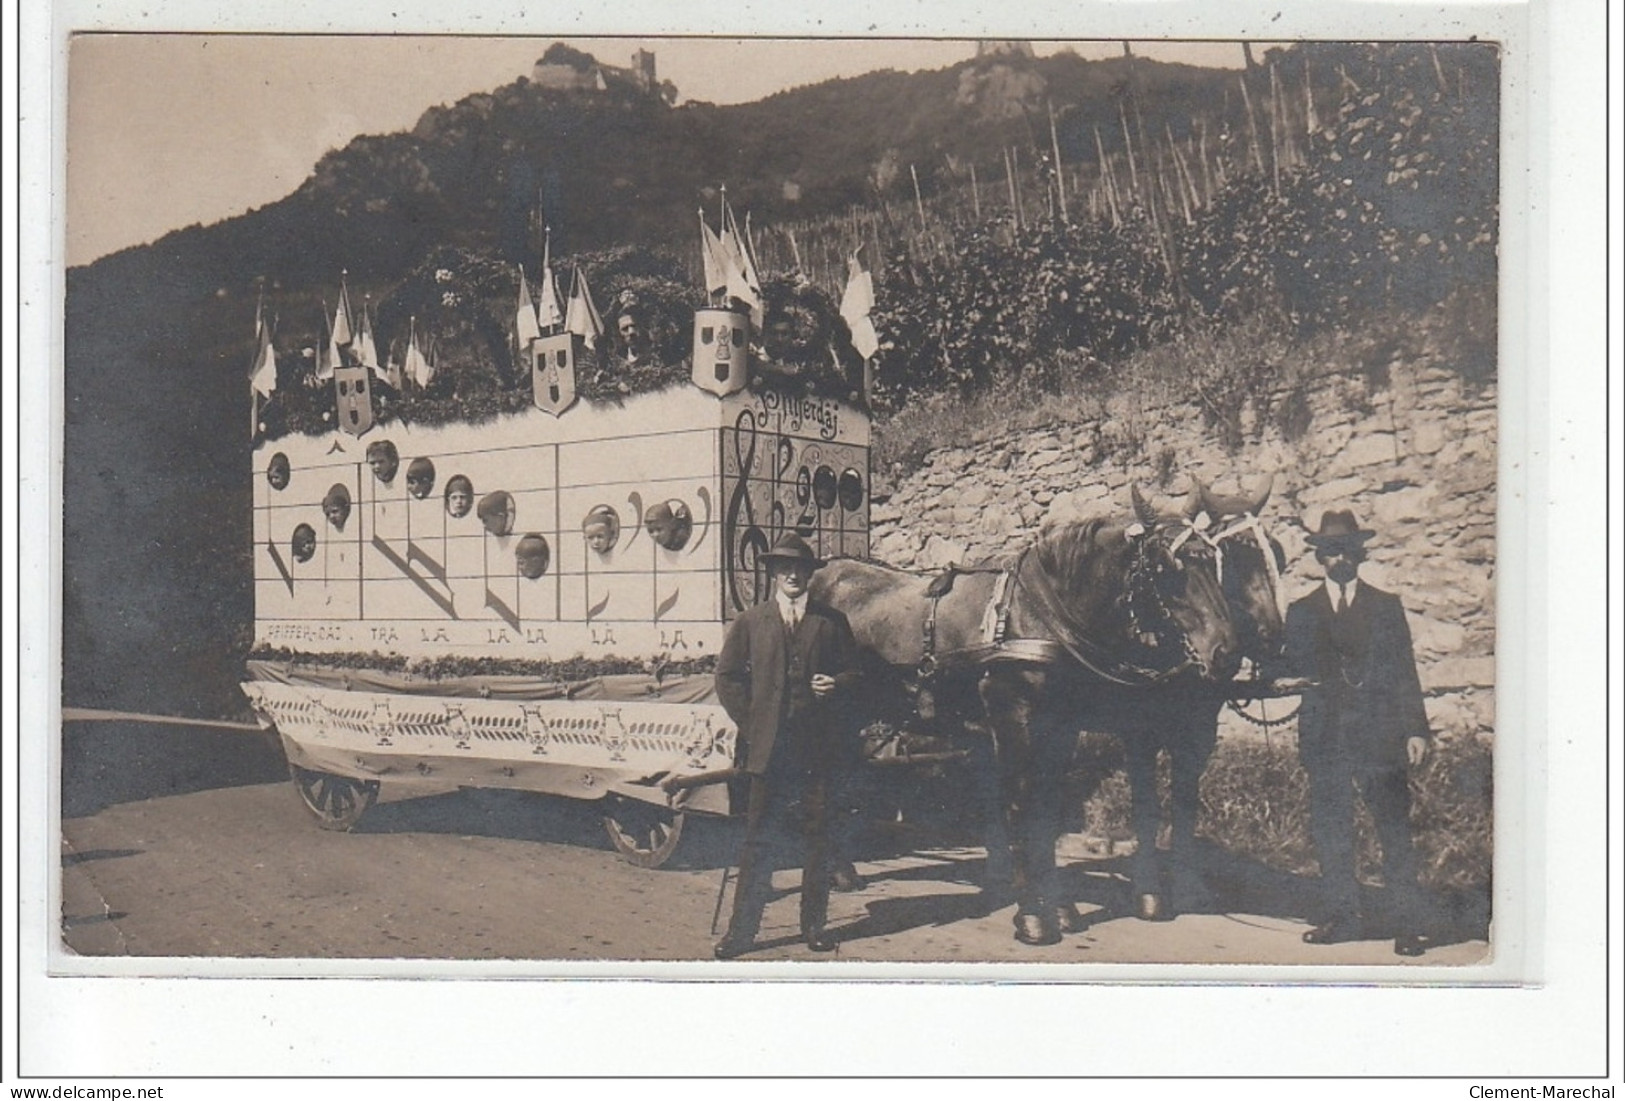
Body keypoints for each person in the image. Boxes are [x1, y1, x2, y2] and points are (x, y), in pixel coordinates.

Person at [1284, 509, 1433, 957]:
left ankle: (1406, 924)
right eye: (1330, 550)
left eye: (1347, 549)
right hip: (1326, 737)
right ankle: (1341, 917)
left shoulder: (1386, 607)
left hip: (1380, 734)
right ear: (1319, 557)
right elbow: (1290, 668)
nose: (1339, 558)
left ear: (1360, 553)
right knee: (1331, 828)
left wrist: (1417, 730)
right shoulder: (1302, 612)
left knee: (1393, 827)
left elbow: (1405, 672)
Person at [712, 534, 861, 959]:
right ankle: (741, 933)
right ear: (774, 574)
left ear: (810, 574)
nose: (792, 575)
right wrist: (754, 724)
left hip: (817, 750)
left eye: (800, 568)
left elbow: (855, 674)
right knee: (760, 840)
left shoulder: (831, 622)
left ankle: (813, 927)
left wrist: (837, 684)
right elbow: (727, 678)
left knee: (818, 839)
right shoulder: (750, 622)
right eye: (783, 568)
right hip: (769, 751)